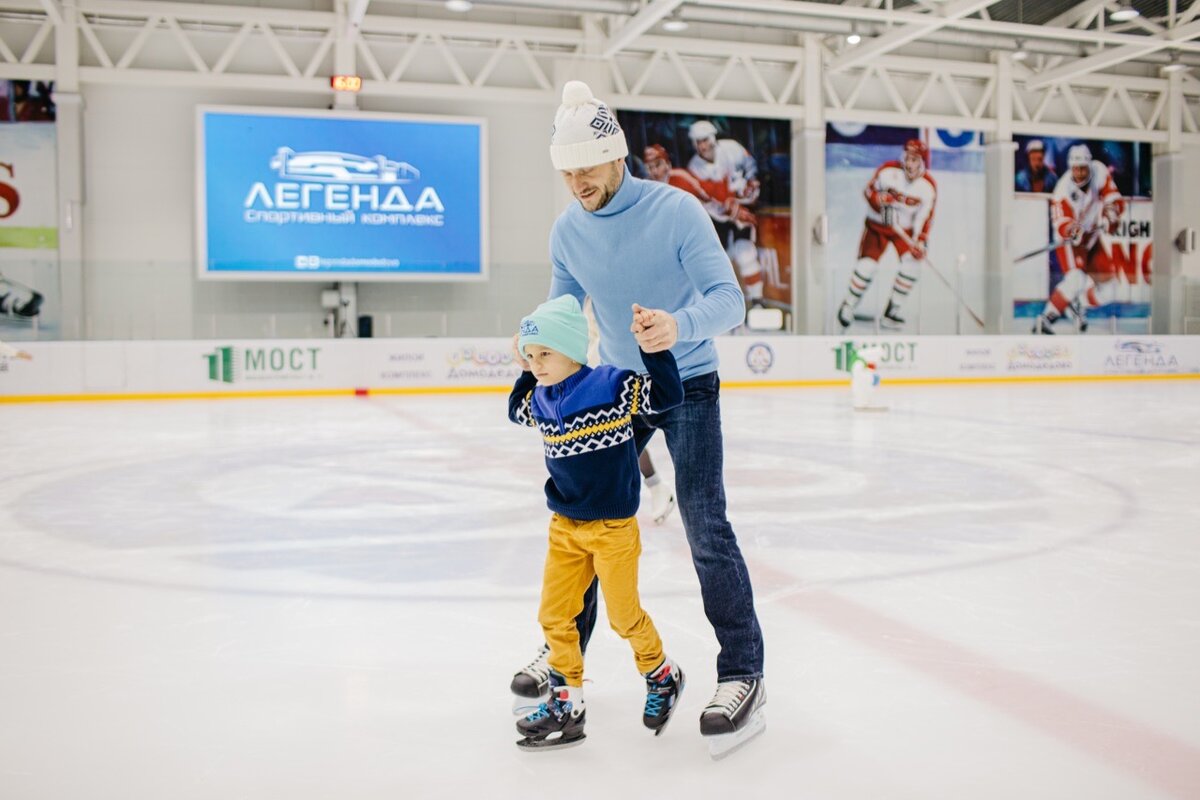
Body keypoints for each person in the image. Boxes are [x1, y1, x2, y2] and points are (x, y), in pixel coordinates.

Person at [510, 80, 766, 760]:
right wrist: (537, 358)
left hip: (687, 383)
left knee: (704, 522)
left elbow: (729, 301)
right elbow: (565, 317)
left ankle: (742, 672)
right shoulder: (567, 230)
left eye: (586, 167)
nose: (576, 182)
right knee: (587, 520)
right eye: (565, 171)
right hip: (618, 388)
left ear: (615, 155)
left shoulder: (676, 211)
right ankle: (563, 651)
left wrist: (675, 326)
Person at [508, 294, 686, 750]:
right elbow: (515, 410)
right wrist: (524, 368)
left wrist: (652, 349)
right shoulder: (541, 397)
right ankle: (569, 704)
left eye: (544, 353)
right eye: (531, 356)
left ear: (571, 348)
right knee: (555, 615)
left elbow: (667, 396)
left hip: (612, 529)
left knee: (624, 618)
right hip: (564, 528)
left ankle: (661, 673)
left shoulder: (611, 384)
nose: (536, 364)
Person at [584, 294, 676, 524]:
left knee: (619, 439)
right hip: (597, 374)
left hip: (616, 374)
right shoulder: (585, 296)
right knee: (615, 441)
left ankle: (652, 487)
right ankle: (653, 486)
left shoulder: (616, 290)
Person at [835, 138, 937, 331]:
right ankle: (848, 305)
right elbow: (868, 191)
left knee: (912, 265)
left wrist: (920, 241)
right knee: (867, 266)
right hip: (877, 227)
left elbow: (926, 216)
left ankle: (891, 312)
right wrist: (879, 200)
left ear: (922, 162)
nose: (909, 164)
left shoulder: (928, 186)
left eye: (915, 160)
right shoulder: (888, 171)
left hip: (903, 231)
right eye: (908, 158)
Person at [1033, 144, 1125, 334]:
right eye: (1076, 168)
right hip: (1070, 243)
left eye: (1083, 167)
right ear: (1070, 168)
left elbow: (1112, 197)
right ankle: (1046, 318)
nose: (1080, 173)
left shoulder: (1099, 171)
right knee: (1076, 279)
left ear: (1089, 164)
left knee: (1109, 289)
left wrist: (1111, 215)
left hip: (1091, 237)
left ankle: (1077, 303)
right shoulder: (1062, 190)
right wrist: (1072, 230)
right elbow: (1062, 223)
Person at [684, 121, 767, 312]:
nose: (702, 146)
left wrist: (752, 185)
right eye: (697, 142)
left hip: (741, 210)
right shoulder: (694, 168)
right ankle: (715, 307)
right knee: (714, 261)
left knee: (745, 253)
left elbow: (751, 167)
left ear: (713, 137)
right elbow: (704, 203)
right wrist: (726, 209)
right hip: (716, 219)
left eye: (704, 140)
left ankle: (757, 302)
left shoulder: (733, 149)